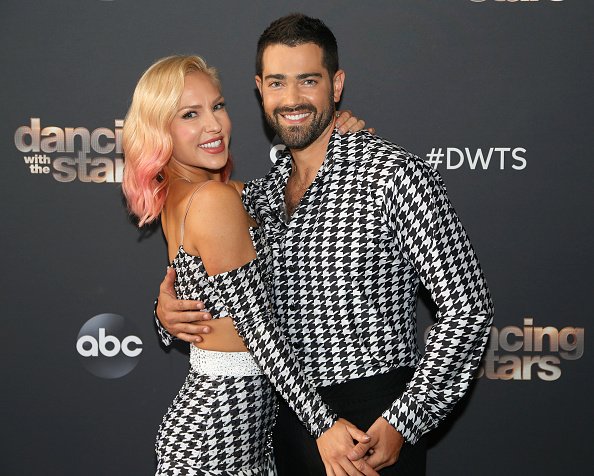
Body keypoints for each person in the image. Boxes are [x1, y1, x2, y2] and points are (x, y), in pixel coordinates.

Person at [156, 13, 495, 476]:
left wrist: (404, 421)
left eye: (307, 81)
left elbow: (468, 307)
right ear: (260, 90)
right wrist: (165, 315)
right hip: (285, 424)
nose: (291, 99)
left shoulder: (394, 175)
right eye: (277, 83)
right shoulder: (259, 195)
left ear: (336, 85)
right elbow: (218, 284)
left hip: (370, 426)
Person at [121, 55, 378, 476]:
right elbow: (258, 330)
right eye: (190, 114)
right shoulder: (213, 201)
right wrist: (323, 424)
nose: (214, 125)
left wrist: (338, 140)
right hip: (215, 439)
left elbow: (291, 189)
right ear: (160, 130)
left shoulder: (202, 193)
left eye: (218, 106)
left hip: (243, 432)